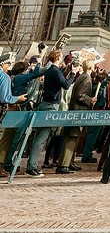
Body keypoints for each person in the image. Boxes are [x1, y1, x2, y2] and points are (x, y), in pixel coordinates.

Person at [26, 50, 76, 178]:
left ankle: (32, 165)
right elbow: (65, 85)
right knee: (42, 138)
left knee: (42, 137)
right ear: (58, 57)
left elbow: (59, 81)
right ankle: (31, 166)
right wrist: (73, 74)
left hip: (47, 104)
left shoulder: (52, 70)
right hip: (50, 106)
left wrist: (68, 71)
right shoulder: (54, 70)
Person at [55, 59, 97, 174]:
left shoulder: (82, 76)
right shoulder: (86, 78)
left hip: (76, 110)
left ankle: (69, 162)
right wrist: (91, 100)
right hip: (79, 111)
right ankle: (64, 164)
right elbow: (80, 95)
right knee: (72, 137)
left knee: (73, 137)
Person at [0, 54, 28, 178]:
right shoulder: (4, 77)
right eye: (8, 64)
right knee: (4, 140)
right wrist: (19, 98)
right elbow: (5, 97)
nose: (9, 67)